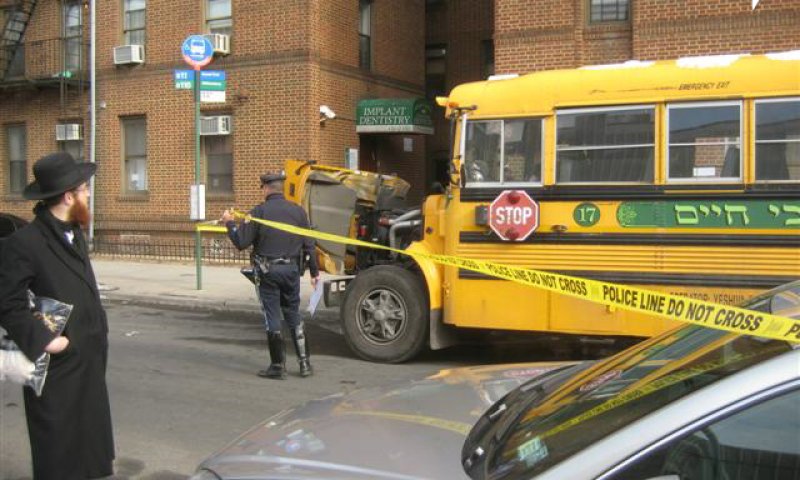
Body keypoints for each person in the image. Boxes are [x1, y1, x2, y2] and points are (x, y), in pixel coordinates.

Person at [0, 152, 115, 479]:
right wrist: (48, 341)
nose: (88, 194)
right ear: (68, 196)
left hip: (89, 358)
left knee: (89, 441)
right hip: (57, 365)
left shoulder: (73, 231)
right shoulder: (25, 242)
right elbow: (7, 303)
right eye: (84, 189)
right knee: (59, 446)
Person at [221, 172, 320, 379]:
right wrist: (314, 272)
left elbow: (241, 242)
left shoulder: (258, 212)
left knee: (272, 316)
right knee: (293, 313)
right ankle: (304, 364)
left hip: (268, 272)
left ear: (266, 189)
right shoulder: (299, 212)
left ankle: (277, 366)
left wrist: (229, 223)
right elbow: (310, 243)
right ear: (281, 189)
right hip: (292, 270)